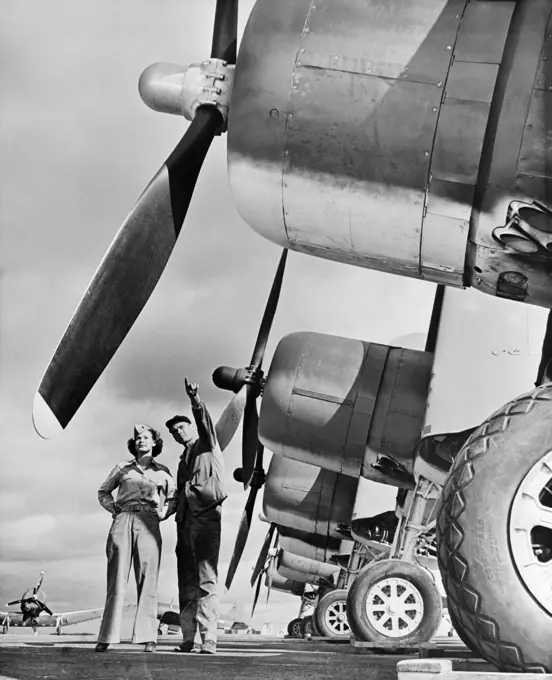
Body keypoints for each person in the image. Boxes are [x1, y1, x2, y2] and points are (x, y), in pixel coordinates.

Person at [95, 424, 175, 653]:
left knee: (148, 579)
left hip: (149, 521)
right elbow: (103, 492)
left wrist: (163, 513)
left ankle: (148, 637)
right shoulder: (122, 468)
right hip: (123, 519)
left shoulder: (163, 471)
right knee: (116, 579)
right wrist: (114, 510)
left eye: (146, 437)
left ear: (154, 443)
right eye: (138, 438)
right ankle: (106, 636)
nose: (141, 440)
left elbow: (173, 497)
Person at [165, 378, 226, 655]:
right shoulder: (182, 462)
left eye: (181, 427)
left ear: (190, 426)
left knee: (207, 580)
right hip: (184, 522)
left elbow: (205, 422)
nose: (178, 433)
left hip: (206, 517)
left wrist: (195, 401)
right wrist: (162, 513)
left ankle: (209, 638)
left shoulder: (207, 444)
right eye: (174, 432)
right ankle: (188, 638)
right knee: (186, 581)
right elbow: (179, 493)